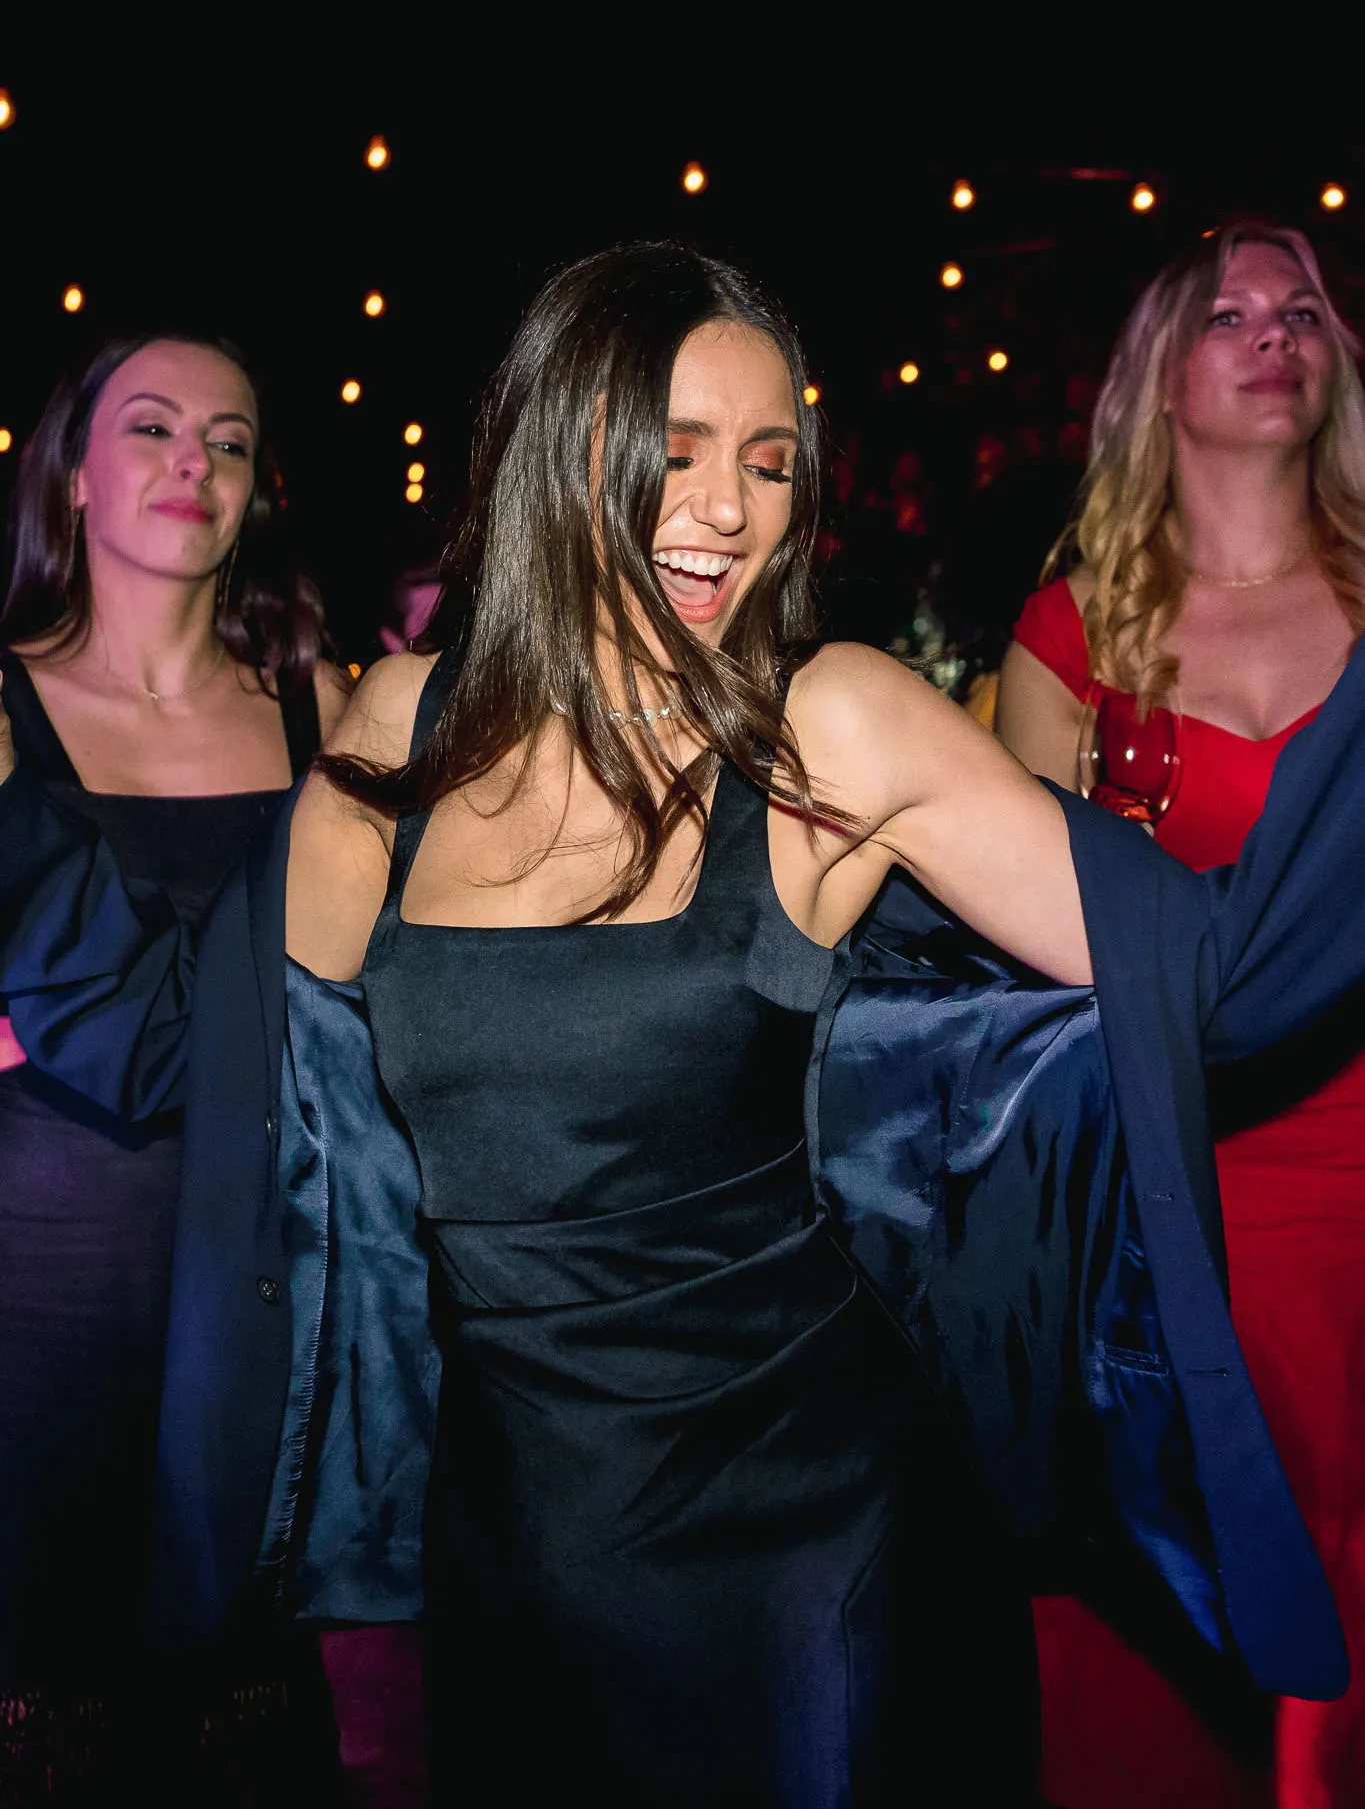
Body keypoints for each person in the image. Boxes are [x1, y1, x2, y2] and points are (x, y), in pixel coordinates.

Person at [4, 244, 1364, 1805]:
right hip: (513, 1551)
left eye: (770, 459)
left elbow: (1219, 975)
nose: (726, 505)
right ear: (554, 444)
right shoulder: (402, 730)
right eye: (677, 446)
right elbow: (216, 1047)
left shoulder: (830, 730)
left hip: (812, 1536)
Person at [997, 220, 1365, 1808]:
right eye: (1229, 312)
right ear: (1160, 378)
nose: (1275, 331)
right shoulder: (1070, 644)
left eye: (1303, 309)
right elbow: (1016, 995)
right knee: (1178, 1647)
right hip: (1180, 1208)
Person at [0, 334, 350, 1799]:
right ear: (75, 474)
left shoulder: (318, 706)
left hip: (260, 1273)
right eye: (150, 429)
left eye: (226, 440)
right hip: (39, 1279)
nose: (191, 464)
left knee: (240, 1697)